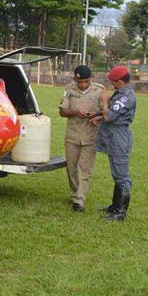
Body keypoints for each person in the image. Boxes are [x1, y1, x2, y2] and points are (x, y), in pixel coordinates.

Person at [57, 64, 106, 212]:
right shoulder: (69, 89)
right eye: (80, 82)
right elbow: (62, 112)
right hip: (72, 135)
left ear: (90, 79)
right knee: (72, 169)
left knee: (84, 169)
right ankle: (76, 193)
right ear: (74, 79)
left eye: (86, 81)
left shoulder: (99, 90)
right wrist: (75, 112)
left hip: (91, 135)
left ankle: (79, 200)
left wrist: (96, 115)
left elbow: (105, 111)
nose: (83, 84)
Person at [91, 65, 137, 221]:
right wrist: (99, 116)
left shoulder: (126, 96)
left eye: (113, 81)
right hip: (113, 136)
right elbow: (107, 115)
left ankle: (120, 212)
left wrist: (104, 100)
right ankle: (115, 206)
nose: (111, 84)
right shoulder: (121, 93)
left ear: (120, 81)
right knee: (116, 173)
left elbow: (110, 115)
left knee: (122, 175)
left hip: (118, 136)